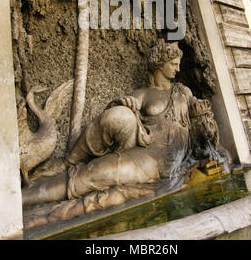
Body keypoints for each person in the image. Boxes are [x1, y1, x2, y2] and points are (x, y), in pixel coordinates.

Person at [22, 40, 212, 207]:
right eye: (173, 64)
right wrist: (123, 103)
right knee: (115, 121)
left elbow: (203, 123)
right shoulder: (143, 93)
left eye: (178, 65)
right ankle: (63, 167)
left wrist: (202, 116)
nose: (178, 69)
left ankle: (27, 198)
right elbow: (109, 115)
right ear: (159, 65)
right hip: (146, 152)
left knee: (97, 173)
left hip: (166, 160)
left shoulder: (183, 91)